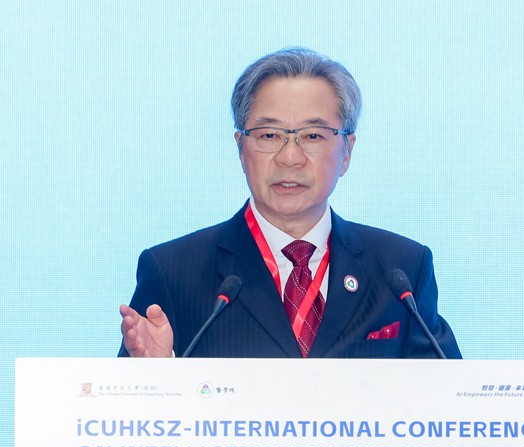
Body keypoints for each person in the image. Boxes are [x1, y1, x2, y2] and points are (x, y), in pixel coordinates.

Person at [119, 47, 461, 359]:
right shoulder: (173, 271)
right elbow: (125, 401)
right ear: (241, 149)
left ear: (346, 152)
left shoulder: (402, 271)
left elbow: (448, 397)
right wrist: (156, 378)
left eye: (313, 136)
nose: (290, 157)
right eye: (270, 135)